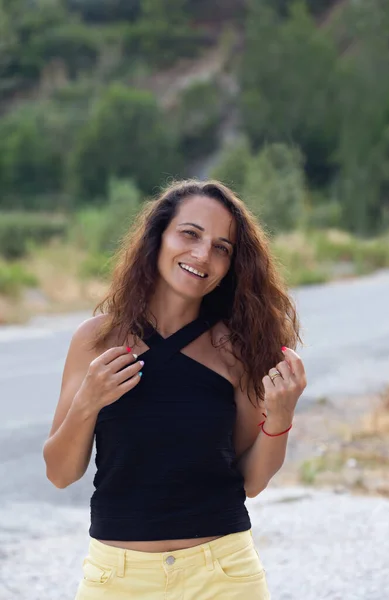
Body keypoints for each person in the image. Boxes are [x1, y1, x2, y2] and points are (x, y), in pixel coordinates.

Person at [43, 179, 307, 600]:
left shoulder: (235, 351)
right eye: (190, 234)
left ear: (231, 266)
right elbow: (60, 473)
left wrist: (281, 417)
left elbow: (251, 481)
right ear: (157, 238)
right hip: (118, 577)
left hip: (223, 573)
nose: (202, 255)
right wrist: (87, 402)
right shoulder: (96, 340)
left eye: (222, 247)